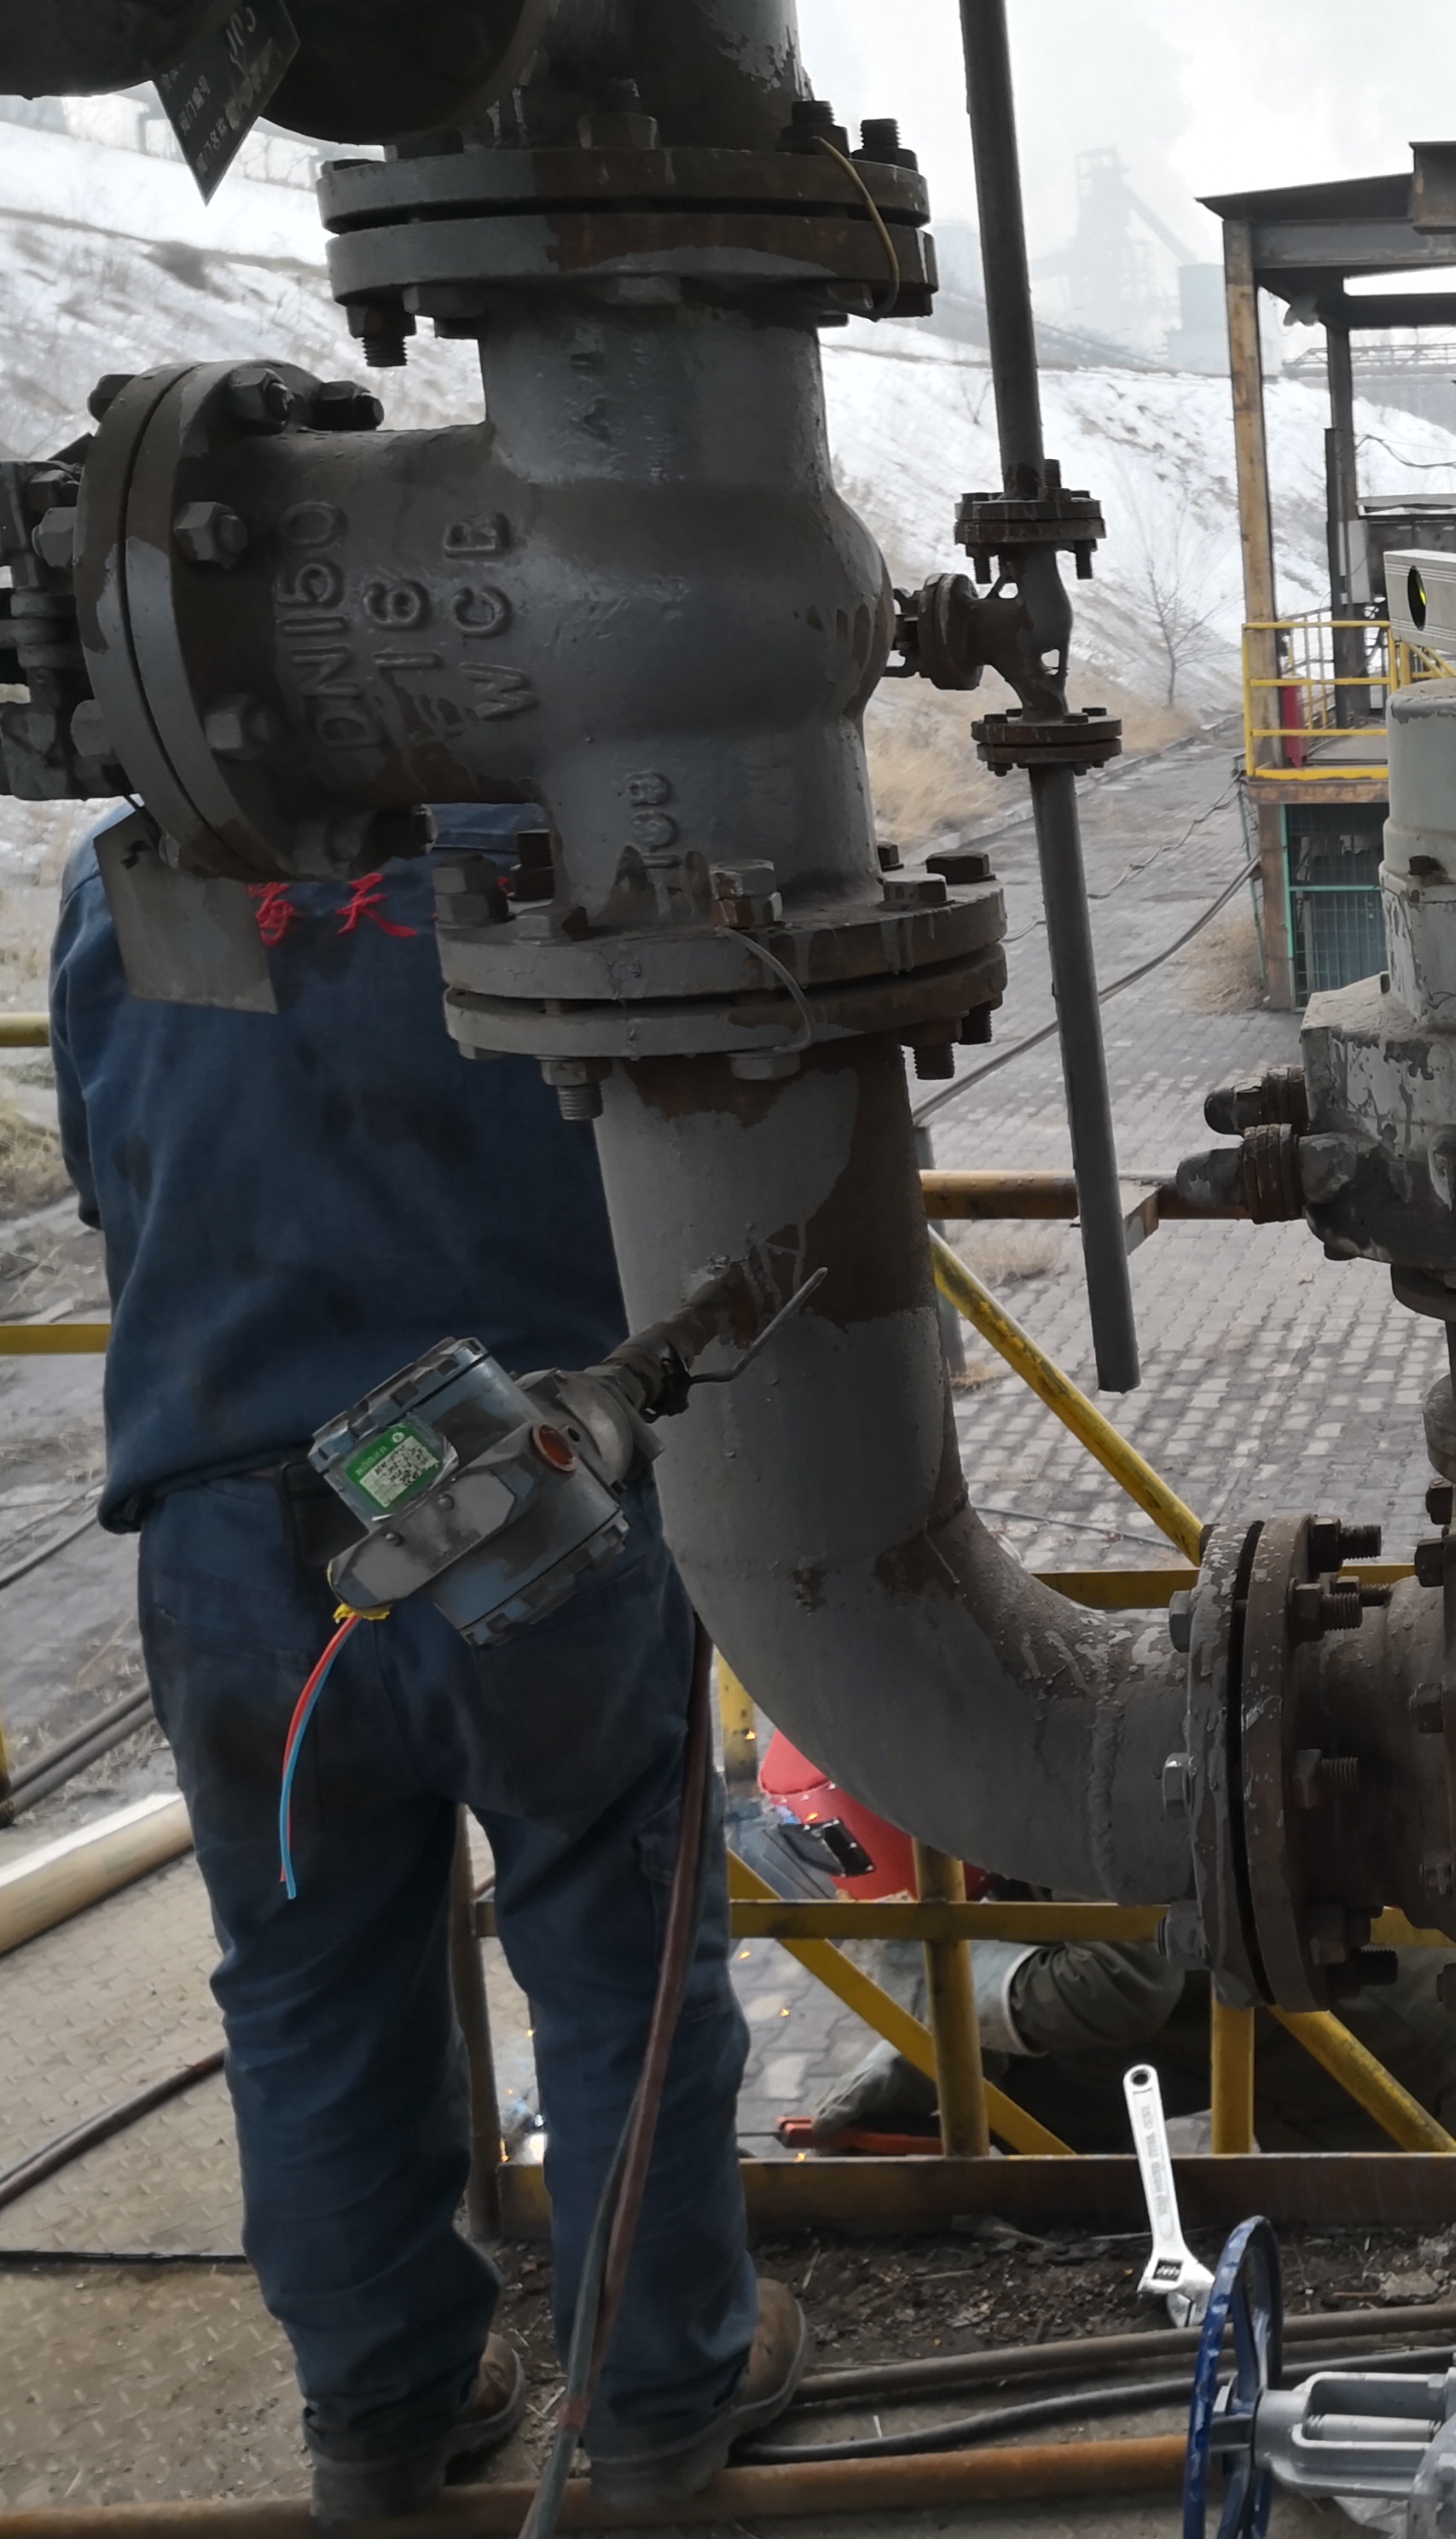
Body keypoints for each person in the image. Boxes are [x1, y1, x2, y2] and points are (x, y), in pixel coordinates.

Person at [51, 810, 803, 2523]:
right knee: (618, 1973)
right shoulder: (566, 843)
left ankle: (384, 2414)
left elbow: (118, 1176)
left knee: (306, 1992)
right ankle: (657, 2404)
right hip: (524, 1512)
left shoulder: (132, 874)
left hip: (227, 1547)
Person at [750, 1733, 1456, 2154]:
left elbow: (1119, 1984)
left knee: (1358, 2251)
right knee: (1021, 2099)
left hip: (1378, 2035)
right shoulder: (981, 1760)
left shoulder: (1060, 1796)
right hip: (1227, 1997)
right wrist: (927, 2069)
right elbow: (1038, 1940)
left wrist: (929, 1990)